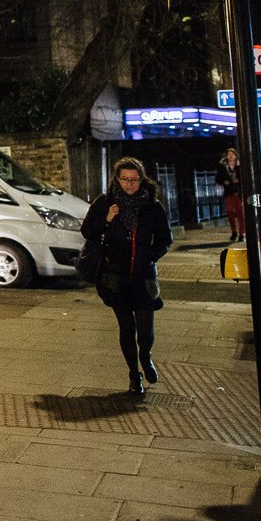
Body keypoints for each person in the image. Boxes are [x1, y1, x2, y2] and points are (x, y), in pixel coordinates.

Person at [81, 157, 171, 396]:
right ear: (117, 179)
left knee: (145, 329)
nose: (130, 184)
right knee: (126, 328)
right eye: (125, 179)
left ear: (142, 180)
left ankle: (146, 356)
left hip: (143, 276)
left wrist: (151, 256)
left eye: (134, 180)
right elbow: (88, 231)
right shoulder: (105, 203)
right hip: (114, 276)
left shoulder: (152, 206)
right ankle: (134, 374)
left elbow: (165, 239)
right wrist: (107, 219)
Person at [216, 147, 244, 242]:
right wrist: (224, 182)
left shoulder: (240, 166)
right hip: (229, 193)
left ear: (236, 156)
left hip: (239, 193)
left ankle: (242, 234)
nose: (231, 156)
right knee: (230, 212)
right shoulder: (223, 167)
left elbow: (246, 177)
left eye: (232, 155)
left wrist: (239, 180)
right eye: (229, 155)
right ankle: (234, 232)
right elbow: (218, 179)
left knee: (241, 214)